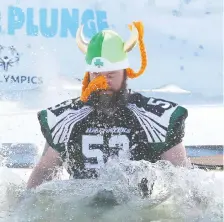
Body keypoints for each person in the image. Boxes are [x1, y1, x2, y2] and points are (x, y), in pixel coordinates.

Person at [27, 21, 190, 190]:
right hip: (81, 211)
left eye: (111, 74)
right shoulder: (66, 118)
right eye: (97, 74)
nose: (103, 81)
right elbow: (43, 172)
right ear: (88, 75)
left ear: (125, 73)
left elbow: (183, 178)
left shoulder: (155, 117)